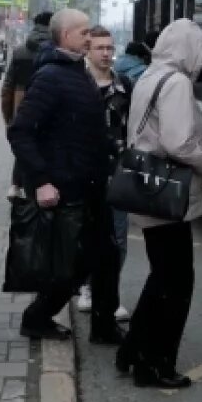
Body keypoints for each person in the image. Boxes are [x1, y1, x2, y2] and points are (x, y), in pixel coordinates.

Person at [117, 18, 202, 389]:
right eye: (201, 47)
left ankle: (133, 351)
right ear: (188, 48)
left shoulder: (152, 75)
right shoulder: (177, 82)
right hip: (166, 195)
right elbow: (179, 142)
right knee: (177, 284)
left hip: (147, 189)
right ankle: (156, 365)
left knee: (161, 277)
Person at [7, 8, 123, 344]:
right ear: (66, 36)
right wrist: (42, 180)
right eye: (84, 33)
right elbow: (21, 132)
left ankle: (101, 327)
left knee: (103, 257)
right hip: (66, 188)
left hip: (88, 185)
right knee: (73, 264)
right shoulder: (52, 77)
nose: (90, 38)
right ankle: (38, 317)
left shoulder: (75, 71)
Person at [77, 25, 131, 323]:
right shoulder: (79, 84)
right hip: (85, 174)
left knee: (118, 239)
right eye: (100, 48)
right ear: (87, 51)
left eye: (110, 48)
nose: (107, 54)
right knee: (87, 236)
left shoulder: (124, 85)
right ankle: (87, 287)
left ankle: (111, 292)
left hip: (119, 173)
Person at [2, 11, 53, 201]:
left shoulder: (21, 50)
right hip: (49, 104)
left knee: (24, 143)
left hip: (21, 101)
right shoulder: (58, 49)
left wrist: (8, 117)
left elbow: (8, 86)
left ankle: (16, 185)